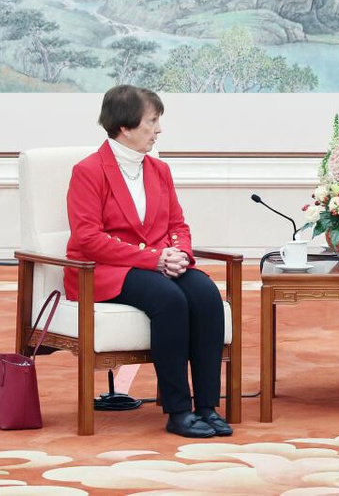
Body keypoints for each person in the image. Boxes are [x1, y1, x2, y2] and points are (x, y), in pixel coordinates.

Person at [65, 85, 231, 439]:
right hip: (103, 271)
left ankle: (207, 406)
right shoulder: (88, 171)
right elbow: (88, 239)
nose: (159, 130)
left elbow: (177, 225)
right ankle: (178, 409)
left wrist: (180, 255)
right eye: (152, 122)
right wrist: (154, 259)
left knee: (205, 293)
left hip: (155, 263)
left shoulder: (159, 170)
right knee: (168, 299)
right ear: (125, 126)